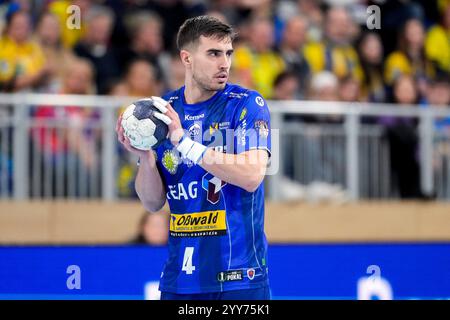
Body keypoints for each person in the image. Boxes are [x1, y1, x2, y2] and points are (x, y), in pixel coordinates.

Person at [116, 15, 271, 300]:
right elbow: (152, 202)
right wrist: (146, 159)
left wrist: (184, 143)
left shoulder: (247, 104)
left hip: (239, 278)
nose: (224, 63)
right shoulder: (163, 112)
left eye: (228, 54)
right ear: (186, 58)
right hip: (180, 280)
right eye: (213, 53)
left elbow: (251, 176)